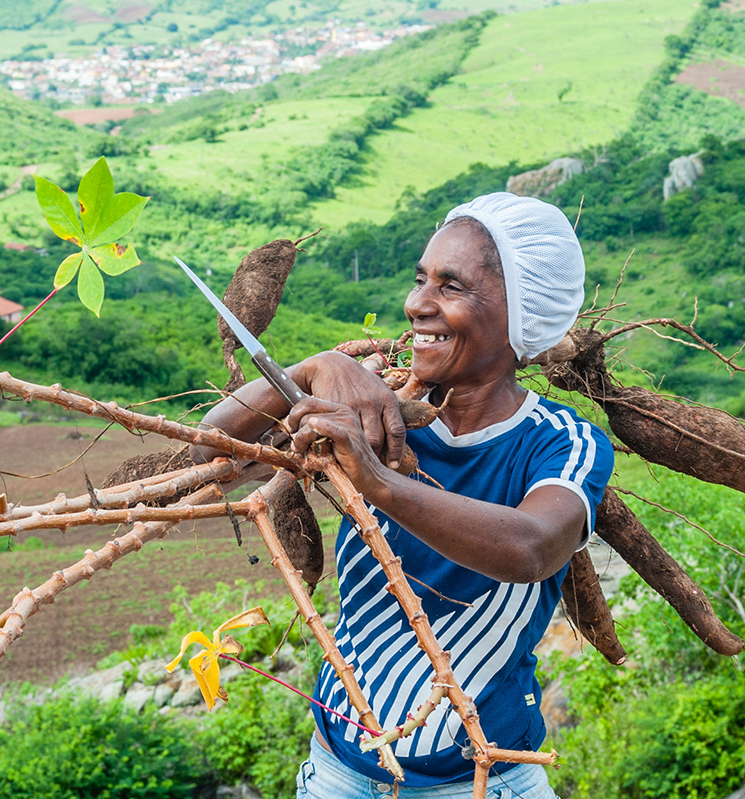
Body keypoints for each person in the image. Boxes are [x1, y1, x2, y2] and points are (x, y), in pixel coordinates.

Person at [191, 193, 614, 798]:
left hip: (479, 780)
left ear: (518, 313)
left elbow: (533, 548)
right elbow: (206, 457)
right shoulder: (375, 414)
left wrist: (379, 481)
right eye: (420, 280)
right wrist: (314, 369)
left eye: (452, 286)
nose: (418, 303)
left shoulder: (563, 443)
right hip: (338, 772)